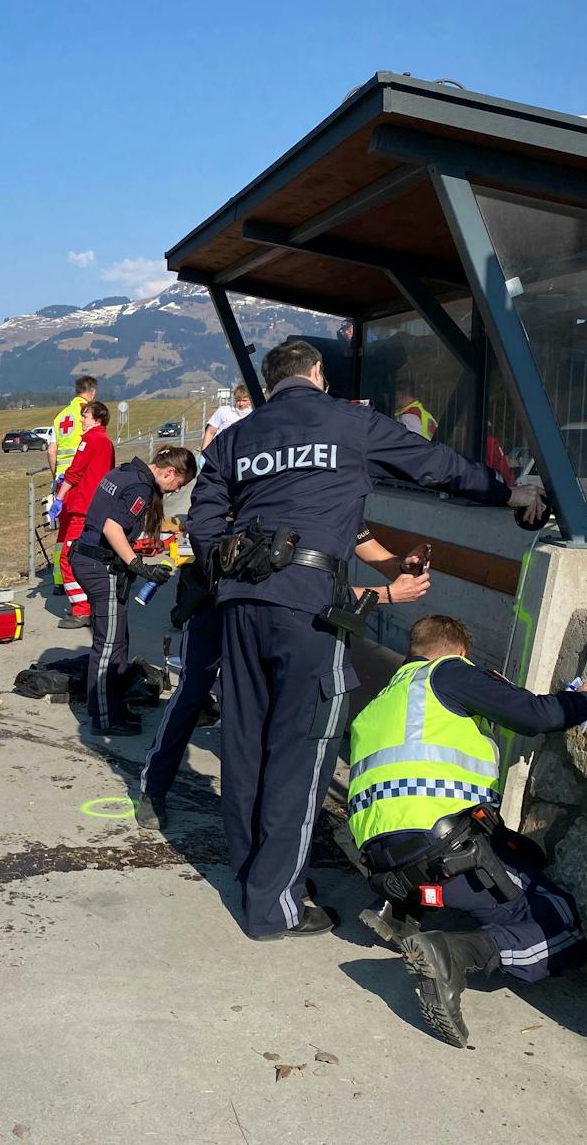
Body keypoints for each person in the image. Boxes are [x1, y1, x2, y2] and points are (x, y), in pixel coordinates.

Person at [185, 340, 547, 941]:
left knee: (247, 742)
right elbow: (436, 465)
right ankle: (274, 907)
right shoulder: (348, 422)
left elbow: (206, 521)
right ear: (318, 373)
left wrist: (231, 574)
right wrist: (509, 492)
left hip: (242, 606)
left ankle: (258, 875)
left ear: (270, 383)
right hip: (310, 608)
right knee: (303, 750)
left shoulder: (235, 439)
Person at [348, 614, 587, 1047]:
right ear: (461, 650)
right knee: (558, 924)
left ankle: (398, 911)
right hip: (444, 851)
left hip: (384, 862)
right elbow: (533, 714)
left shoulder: (385, 701)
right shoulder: (449, 672)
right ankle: (454, 955)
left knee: (513, 857)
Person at [136, 528, 433, 831]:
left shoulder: (339, 492)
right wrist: (385, 595)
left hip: (280, 614)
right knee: (192, 694)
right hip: (222, 602)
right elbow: (296, 589)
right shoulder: (279, 494)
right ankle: (155, 787)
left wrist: (401, 564)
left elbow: (372, 550)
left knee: (270, 712)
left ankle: (264, 821)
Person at [70, 447, 197, 736]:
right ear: (168, 472)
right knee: (109, 645)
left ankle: (112, 706)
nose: (177, 490)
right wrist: (138, 565)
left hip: (89, 559)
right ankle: (104, 717)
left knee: (117, 640)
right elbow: (112, 527)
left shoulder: (125, 471)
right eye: (179, 484)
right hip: (99, 567)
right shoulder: (140, 486)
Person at [48, 401, 115, 629]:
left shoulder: (91, 439)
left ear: (97, 419)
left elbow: (76, 471)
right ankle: (90, 605)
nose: (81, 420)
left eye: (85, 416)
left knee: (68, 557)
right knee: (87, 557)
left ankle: (81, 610)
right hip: (96, 507)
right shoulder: (106, 442)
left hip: (82, 509)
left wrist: (59, 496)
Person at [49, 376, 100, 596]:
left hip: (61, 482)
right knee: (83, 530)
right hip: (81, 483)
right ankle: (84, 578)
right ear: (93, 392)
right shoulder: (89, 415)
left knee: (63, 533)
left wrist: (56, 477)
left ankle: (59, 579)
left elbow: (51, 451)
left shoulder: (60, 417)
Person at [201, 385, 252, 450]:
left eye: (244, 400)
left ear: (250, 400)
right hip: (221, 450)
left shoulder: (253, 415)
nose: (241, 404)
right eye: (238, 400)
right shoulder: (223, 411)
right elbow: (210, 432)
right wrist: (204, 454)